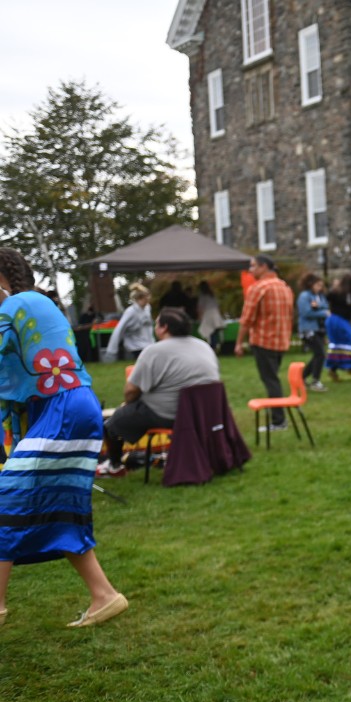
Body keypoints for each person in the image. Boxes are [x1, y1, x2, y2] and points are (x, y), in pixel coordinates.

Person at [0, 247, 128, 629]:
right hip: (64, 408)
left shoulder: (19, 304)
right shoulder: (30, 304)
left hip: (63, 408)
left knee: (6, 499)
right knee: (60, 507)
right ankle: (105, 596)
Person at [96, 307, 221, 478]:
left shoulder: (154, 351)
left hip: (168, 414)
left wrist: (129, 405)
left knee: (112, 424)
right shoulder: (203, 346)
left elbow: (130, 392)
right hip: (205, 413)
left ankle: (115, 466)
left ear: (163, 328)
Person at [234, 254, 293, 431]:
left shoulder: (258, 288)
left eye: (253, 267)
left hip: (263, 341)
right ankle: (279, 419)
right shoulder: (284, 287)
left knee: (271, 381)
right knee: (273, 378)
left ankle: (278, 421)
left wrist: (238, 343)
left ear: (264, 267)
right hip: (281, 341)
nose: (250, 270)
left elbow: (247, 319)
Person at [325, 274, 351, 381]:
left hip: (343, 321)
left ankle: (347, 366)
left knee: (342, 345)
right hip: (336, 319)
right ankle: (345, 367)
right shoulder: (337, 293)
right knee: (348, 341)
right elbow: (325, 299)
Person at [296, 273, 330, 392]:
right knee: (320, 354)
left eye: (321, 285)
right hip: (308, 330)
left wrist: (319, 307)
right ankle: (315, 381)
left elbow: (326, 306)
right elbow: (306, 312)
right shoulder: (304, 296)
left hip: (319, 329)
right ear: (310, 284)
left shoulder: (320, 296)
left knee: (318, 354)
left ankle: (301, 377)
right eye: (317, 285)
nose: (319, 288)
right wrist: (322, 312)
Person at [104, 283, 154, 361]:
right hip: (136, 345)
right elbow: (119, 329)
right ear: (139, 299)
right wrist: (112, 350)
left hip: (149, 343)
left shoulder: (147, 308)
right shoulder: (130, 311)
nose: (148, 298)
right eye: (146, 297)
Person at [196, 280, 227, 353]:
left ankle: (212, 347)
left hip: (208, 315)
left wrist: (199, 317)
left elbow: (200, 308)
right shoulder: (212, 295)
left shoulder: (203, 296)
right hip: (215, 314)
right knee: (214, 332)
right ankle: (214, 347)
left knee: (210, 332)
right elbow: (217, 306)